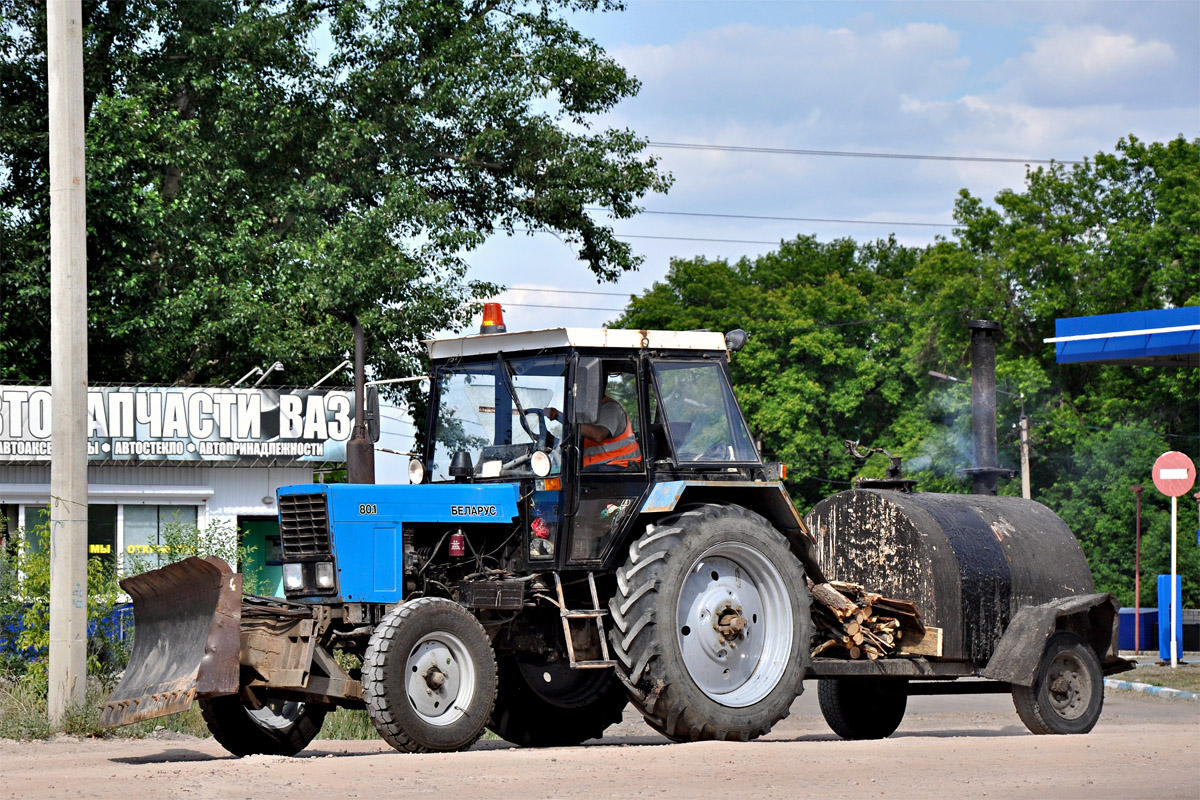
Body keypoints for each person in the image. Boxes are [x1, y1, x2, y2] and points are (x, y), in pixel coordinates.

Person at [545, 376, 641, 470]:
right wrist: (552, 441)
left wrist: (559, 416)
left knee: (580, 477)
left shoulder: (610, 408)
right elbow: (579, 442)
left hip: (621, 466)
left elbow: (598, 435)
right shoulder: (587, 412)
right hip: (597, 467)